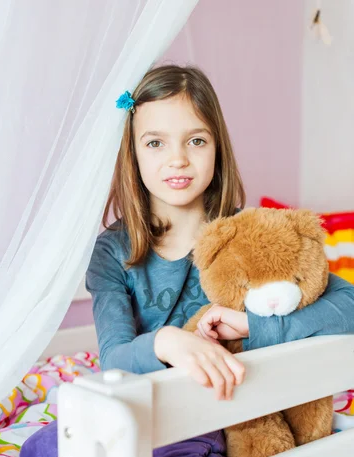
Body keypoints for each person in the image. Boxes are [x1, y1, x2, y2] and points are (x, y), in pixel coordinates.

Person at [86, 65, 354, 401]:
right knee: (48, 449)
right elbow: (114, 360)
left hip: (237, 406)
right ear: (133, 153)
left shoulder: (250, 232)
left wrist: (254, 327)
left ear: (217, 148)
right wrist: (166, 341)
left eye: (196, 140)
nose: (178, 159)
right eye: (155, 143)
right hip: (158, 408)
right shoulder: (111, 252)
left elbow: (349, 305)